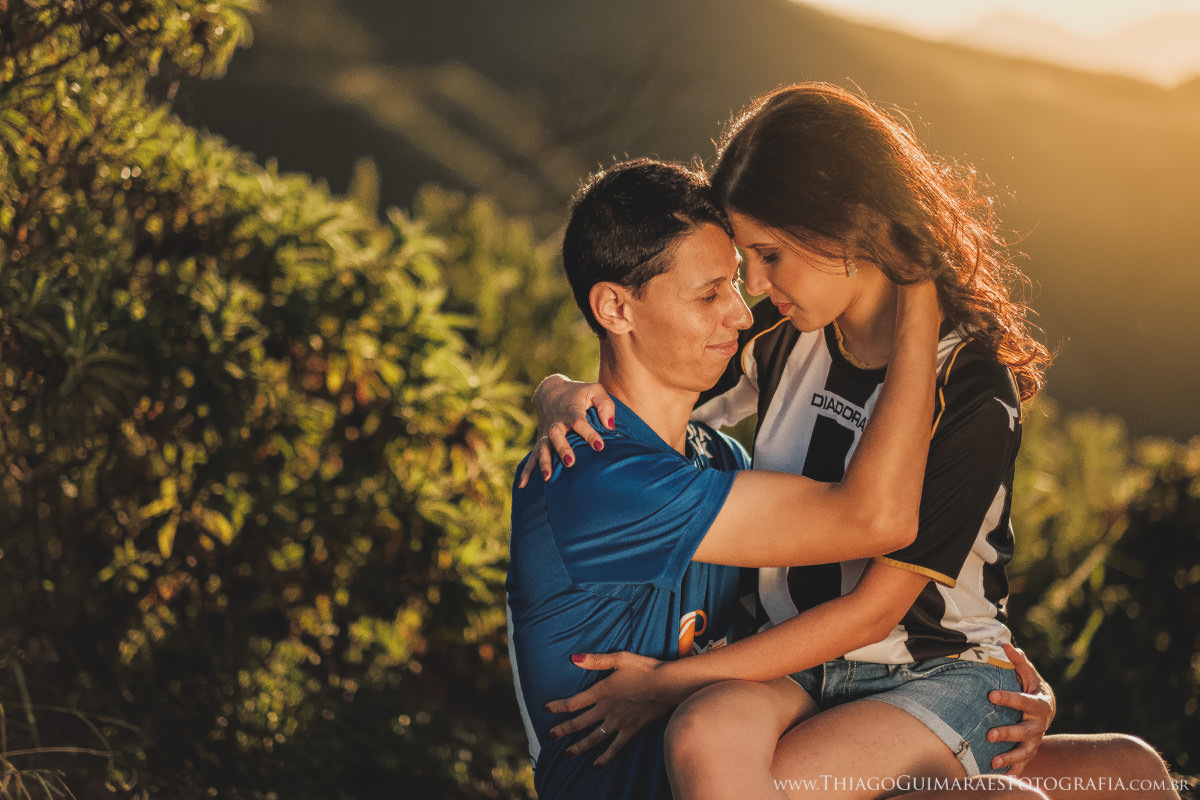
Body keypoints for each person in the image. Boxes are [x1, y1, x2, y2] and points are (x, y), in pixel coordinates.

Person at [525, 83, 1179, 799]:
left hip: (923, 668)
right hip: (791, 669)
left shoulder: (968, 382)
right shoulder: (778, 333)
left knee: (776, 779)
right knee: (706, 735)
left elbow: (877, 603)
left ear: (853, 230)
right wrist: (555, 391)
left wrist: (665, 684)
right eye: (747, 262)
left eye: (770, 255)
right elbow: (646, 392)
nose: (754, 294)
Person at [506, 156, 959, 800]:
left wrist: (975, 666)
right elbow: (873, 520)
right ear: (615, 307)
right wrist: (918, 291)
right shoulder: (595, 480)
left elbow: (810, 613)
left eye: (735, 287)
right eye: (709, 294)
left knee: (1122, 771)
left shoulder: (718, 459)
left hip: (743, 773)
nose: (742, 316)